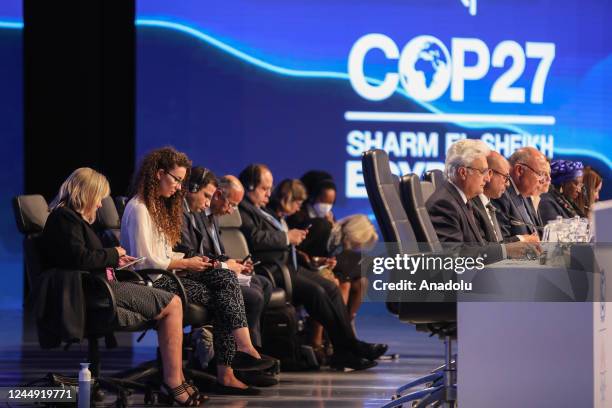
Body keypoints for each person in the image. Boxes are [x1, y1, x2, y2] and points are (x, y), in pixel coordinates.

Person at [41, 168, 205, 406]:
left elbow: (84, 256)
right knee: (173, 303)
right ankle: (173, 382)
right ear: (85, 194)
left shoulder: (71, 220)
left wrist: (116, 259)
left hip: (100, 287)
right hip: (93, 291)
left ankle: (175, 378)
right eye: (98, 198)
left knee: (167, 307)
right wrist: (112, 254)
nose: (99, 205)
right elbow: (79, 259)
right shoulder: (63, 218)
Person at [120, 147, 272, 396]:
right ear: (159, 174)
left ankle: (234, 363)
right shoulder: (139, 208)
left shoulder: (157, 206)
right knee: (224, 294)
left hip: (168, 275)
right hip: (152, 283)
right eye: (177, 180)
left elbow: (166, 254)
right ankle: (234, 362)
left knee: (224, 281)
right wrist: (185, 264)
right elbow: (145, 261)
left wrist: (189, 260)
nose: (179, 187)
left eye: (182, 181)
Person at [238, 163, 387, 370]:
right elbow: (254, 238)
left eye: (270, 188)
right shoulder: (243, 209)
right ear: (250, 185)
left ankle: (345, 348)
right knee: (317, 291)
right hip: (272, 270)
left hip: (289, 266)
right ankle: (347, 347)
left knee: (332, 287)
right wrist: (286, 237)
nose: (268, 193)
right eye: (264, 188)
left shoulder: (261, 209)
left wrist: (308, 258)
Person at [175, 168, 275, 387]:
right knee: (240, 293)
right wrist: (224, 265)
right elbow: (185, 254)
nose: (231, 211)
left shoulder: (198, 212)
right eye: (207, 196)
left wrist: (232, 263)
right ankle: (239, 359)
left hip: (198, 272)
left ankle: (237, 360)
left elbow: (204, 253)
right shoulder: (181, 212)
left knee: (259, 285)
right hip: (176, 277)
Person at [426, 140, 540, 260]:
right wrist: (506, 250)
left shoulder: (463, 201)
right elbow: (455, 256)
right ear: (463, 172)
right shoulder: (445, 204)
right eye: (483, 171)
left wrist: (515, 246)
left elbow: (482, 245)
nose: (487, 178)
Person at [491, 147, 548, 240]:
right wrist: (523, 240)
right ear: (519, 170)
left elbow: (537, 231)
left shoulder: (526, 194)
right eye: (540, 174)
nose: (543, 180)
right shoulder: (501, 194)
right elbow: (501, 243)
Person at [539, 159, 585, 224]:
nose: (579, 190)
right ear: (563, 182)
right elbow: (554, 232)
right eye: (576, 184)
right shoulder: (547, 201)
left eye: (580, 185)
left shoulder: (564, 201)